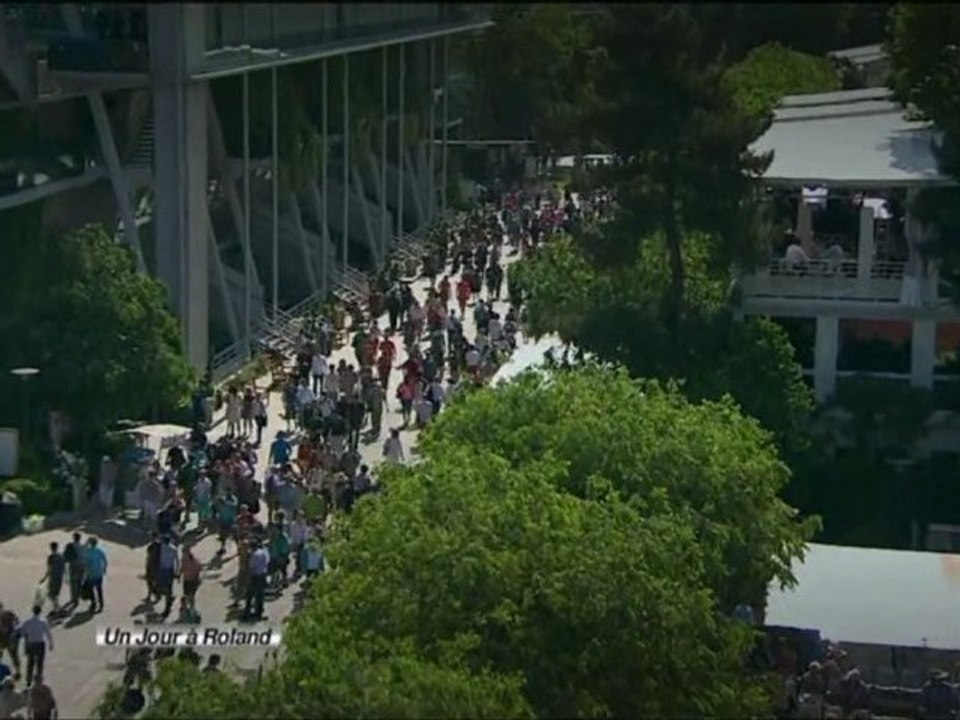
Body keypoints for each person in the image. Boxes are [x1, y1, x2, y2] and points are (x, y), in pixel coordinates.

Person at [18, 606, 52, 688]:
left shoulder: (27, 622)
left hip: (30, 643)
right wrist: (51, 643)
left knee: (30, 663)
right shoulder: (43, 621)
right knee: (39, 663)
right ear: (40, 611)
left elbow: (22, 633)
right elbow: (48, 633)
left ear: (32, 611)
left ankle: (28, 680)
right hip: (40, 643)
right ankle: (39, 680)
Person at [244, 540, 270, 621]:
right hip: (263, 575)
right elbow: (267, 562)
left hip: (255, 577)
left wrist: (248, 578)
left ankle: (248, 612)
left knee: (250, 594)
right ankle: (259, 612)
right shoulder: (264, 552)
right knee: (260, 596)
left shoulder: (254, 555)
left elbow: (252, 568)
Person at [82, 536, 108, 613]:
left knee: (90, 589)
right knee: (99, 589)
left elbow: (83, 550)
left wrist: (86, 542)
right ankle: (101, 604)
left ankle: (93, 603)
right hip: (99, 573)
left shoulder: (87, 551)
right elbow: (105, 560)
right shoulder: (99, 551)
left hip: (90, 573)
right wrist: (104, 569)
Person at [39, 543, 65, 615]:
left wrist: (44, 578)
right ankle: (56, 609)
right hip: (59, 577)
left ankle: (57, 609)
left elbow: (49, 569)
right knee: (55, 594)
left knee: (51, 594)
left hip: (53, 578)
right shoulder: (61, 556)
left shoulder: (50, 557)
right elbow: (63, 567)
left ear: (51, 548)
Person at [156, 535, 179, 617]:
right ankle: (168, 602)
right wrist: (177, 572)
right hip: (170, 570)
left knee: (160, 586)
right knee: (168, 588)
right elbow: (177, 561)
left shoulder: (161, 547)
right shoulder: (174, 549)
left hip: (162, 569)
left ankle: (167, 602)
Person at [62, 533, 84, 610]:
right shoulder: (82, 547)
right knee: (79, 582)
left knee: (73, 582)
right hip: (81, 566)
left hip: (73, 566)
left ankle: (73, 598)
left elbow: (64, 556)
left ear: (73, 538)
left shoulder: (70, 546)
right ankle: (77, 598)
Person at [180, 546, 202, 615]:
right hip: (194, 579)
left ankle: (184, 608)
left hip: (187, 579)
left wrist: (179, 574)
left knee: (186, 594)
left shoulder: (184, 559)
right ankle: (192, 608)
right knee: (191, 595)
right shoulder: (194, 559)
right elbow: (199, 567)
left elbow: (182, 568)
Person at [0, 604, 20, 681]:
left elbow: (16, 623)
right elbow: (17, 623)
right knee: (14, 655)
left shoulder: (9, 613)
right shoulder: (9, 613)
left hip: (4, 639)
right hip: (8, 639)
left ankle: (17, 671)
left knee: (13, 655)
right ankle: (18, 671)